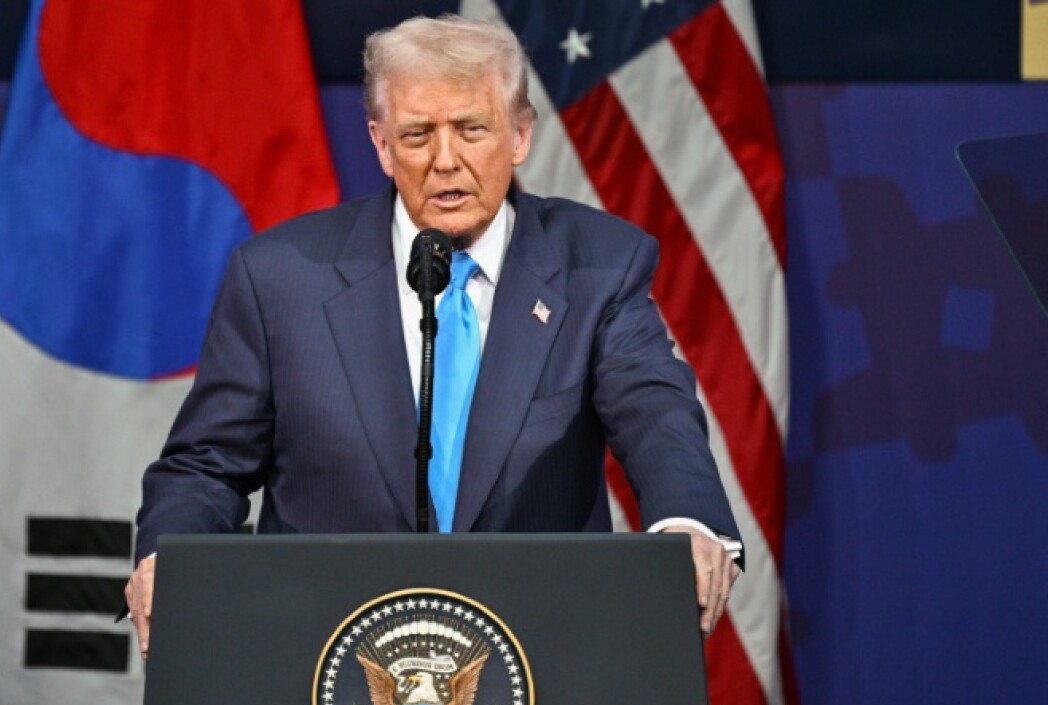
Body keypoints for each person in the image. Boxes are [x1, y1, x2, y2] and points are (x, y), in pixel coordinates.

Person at [125, 14, 742, 659]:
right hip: (321, 654)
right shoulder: (281, 278)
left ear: (520, 135)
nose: (445, 159)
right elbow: (206, 465)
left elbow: (655, 410)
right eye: (418, 134)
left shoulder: (597, 265)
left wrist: (688, 522)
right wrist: (170, 558)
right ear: (382, 145)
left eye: (472, 129)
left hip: (540, 651)